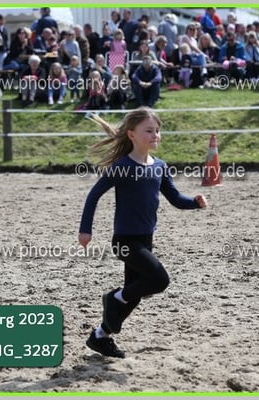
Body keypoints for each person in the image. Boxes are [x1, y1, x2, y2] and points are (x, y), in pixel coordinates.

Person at [79, 108, 207, 358]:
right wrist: (85, 230)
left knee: (134, 295)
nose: (155, 135)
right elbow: (93, 196)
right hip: (125, 242)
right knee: (159, 280)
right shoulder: (122, 166)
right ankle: (113, 298)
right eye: (149, 130)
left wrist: (194, 202)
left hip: (146, 240)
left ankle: (100, 336)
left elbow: (175, 198)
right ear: (132, 135)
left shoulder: (160, 166)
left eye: (157, 130)